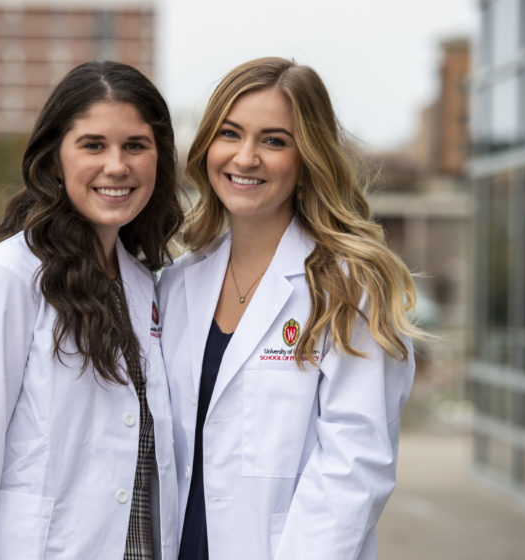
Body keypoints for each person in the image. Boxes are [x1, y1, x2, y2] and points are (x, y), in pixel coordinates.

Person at [0, 61, 183, 559]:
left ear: (158, 159)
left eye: (135, 146)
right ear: (55, 158)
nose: (116, 165)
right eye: (93, 145)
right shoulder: (3, 283)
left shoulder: (148, 288)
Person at [158, 57, 422, 560]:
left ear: (308, 158)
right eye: (230, 134)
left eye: (274, 140)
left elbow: (355, 466)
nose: (246, 157)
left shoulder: (351, 287)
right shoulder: (176, 284)